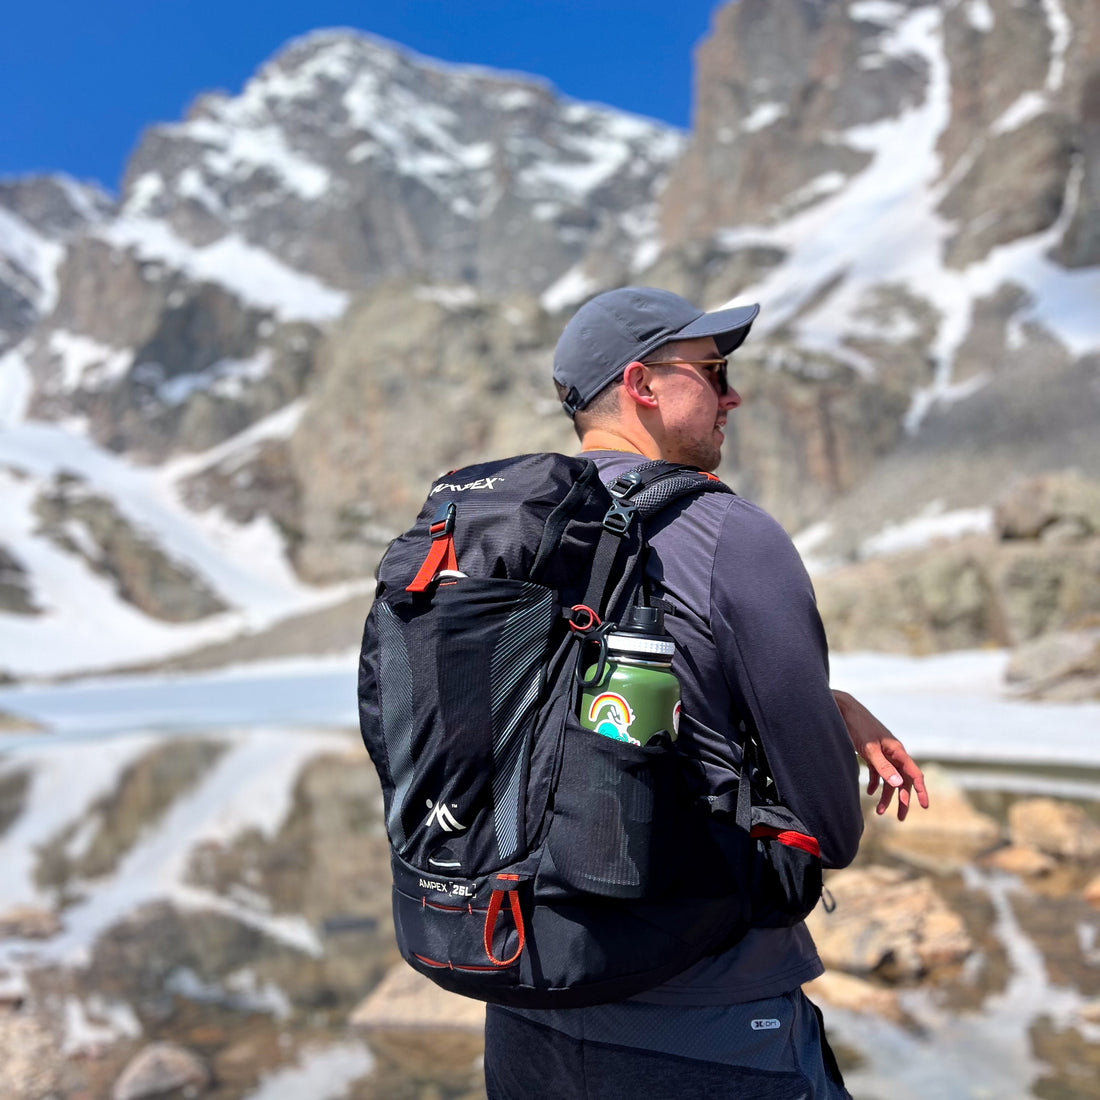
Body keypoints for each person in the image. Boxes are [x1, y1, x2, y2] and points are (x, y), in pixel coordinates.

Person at [483, 287, 928, 1099]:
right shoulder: (729, 534)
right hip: (706, 1016)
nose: (734, 394)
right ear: (642, 385)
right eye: (714, 372)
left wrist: (829, 703)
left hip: (524, 1002)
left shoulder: (505, 532)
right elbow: (828, 827)